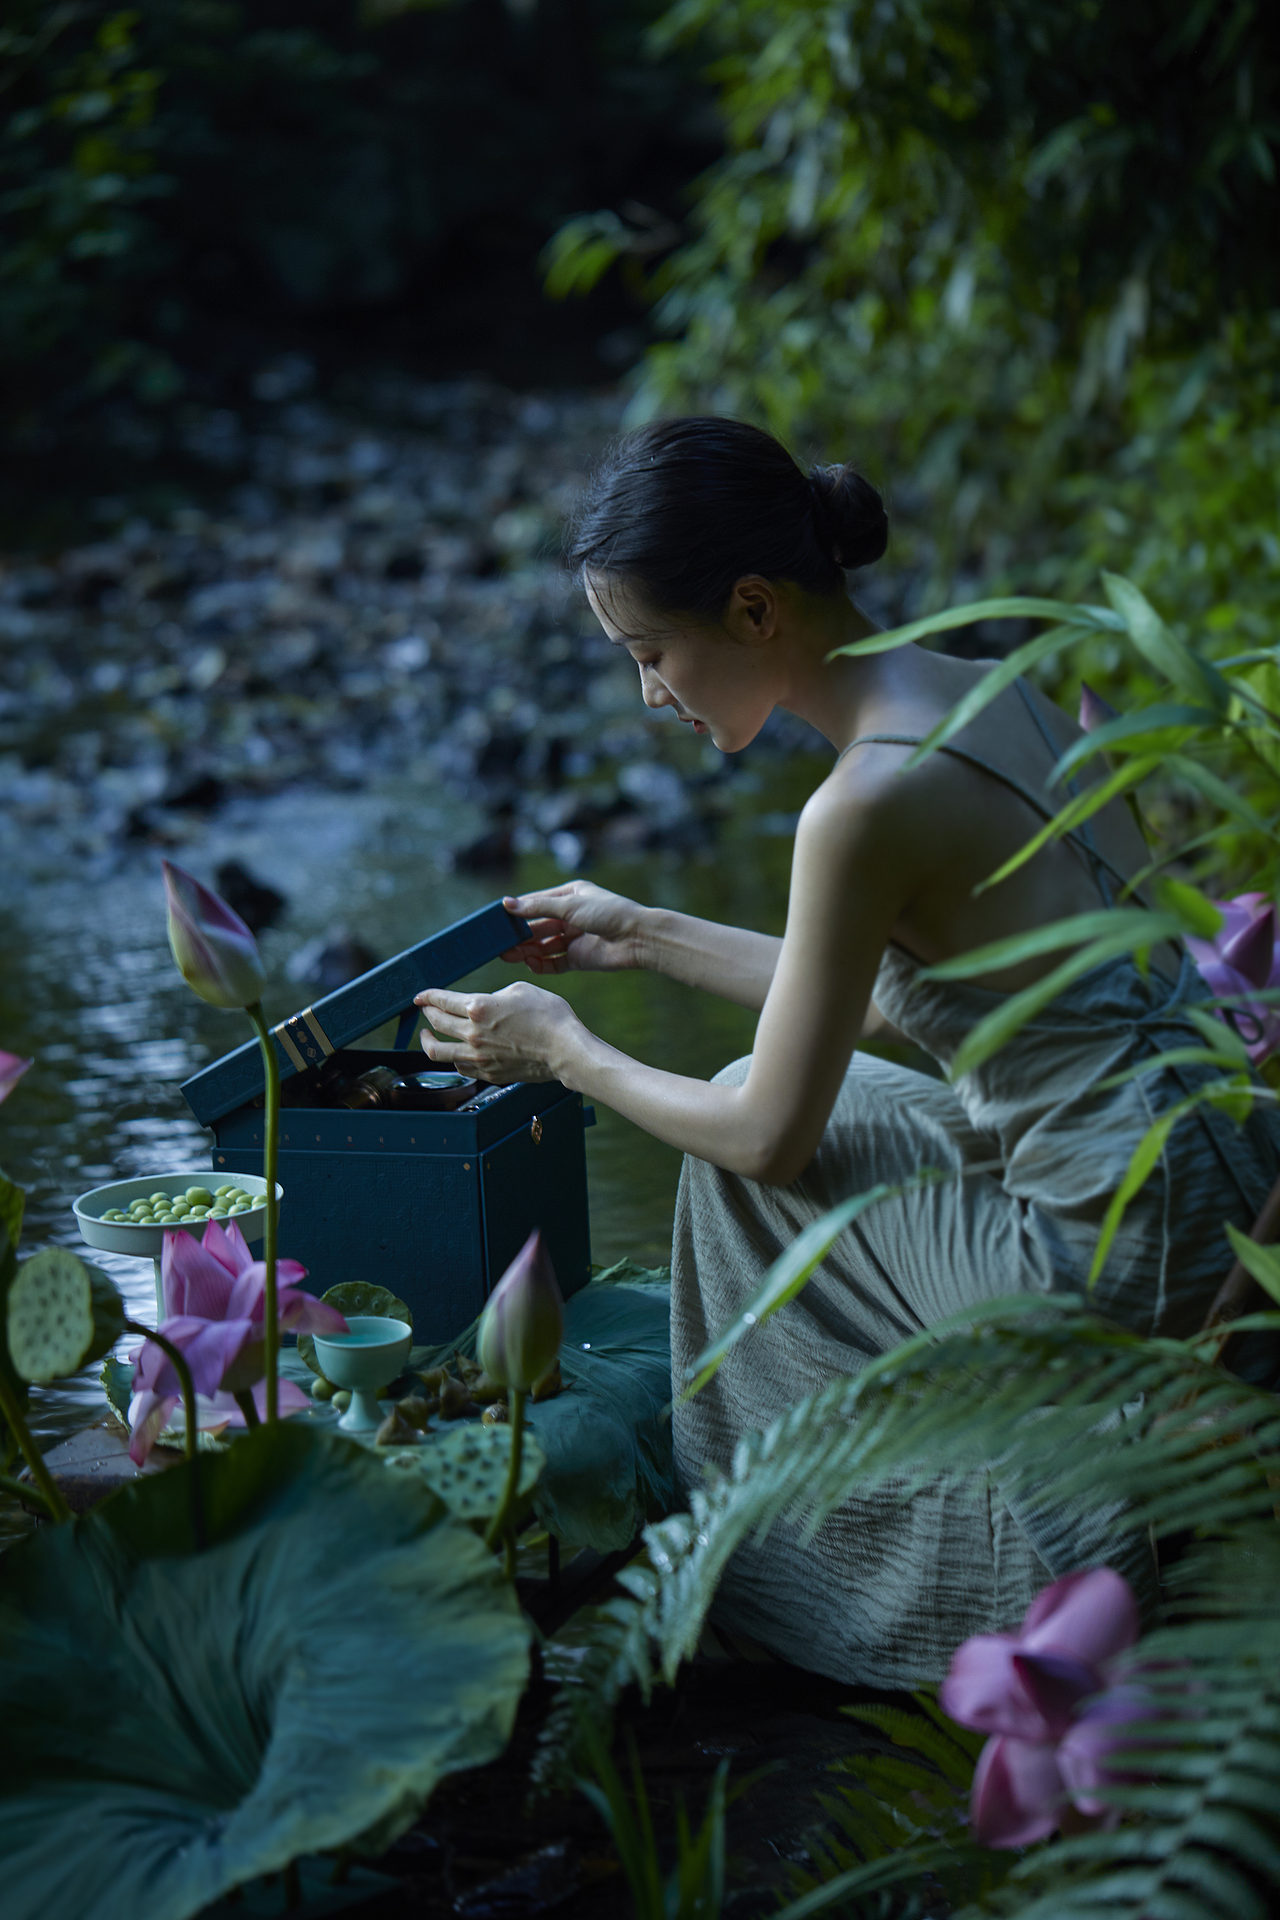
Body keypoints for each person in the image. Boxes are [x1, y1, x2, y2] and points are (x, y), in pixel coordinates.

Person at [414, 416, 1280, 1686]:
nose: (648, 695)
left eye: (649, 654)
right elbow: (893, 1009)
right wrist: (640, 931)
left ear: (753, 608)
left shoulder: (860, 802)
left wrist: (565, 1054)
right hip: (1212, 1175)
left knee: (729, 1152)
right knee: (746, 1095)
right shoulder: (998, 694)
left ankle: (803, 1586)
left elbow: (773, 1137)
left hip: (1111, 1250)